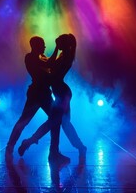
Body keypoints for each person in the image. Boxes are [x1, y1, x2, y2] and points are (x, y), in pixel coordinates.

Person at [18, 33, 87, 162]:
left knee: (57, 122)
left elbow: (51, 69)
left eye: (59, 43)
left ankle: (31, 142)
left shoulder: (65, 57)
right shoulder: (63, 56)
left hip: (62, 94)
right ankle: (65, 150)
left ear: (64, 45)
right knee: (62, 122)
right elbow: (50, 68)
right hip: (61, 93)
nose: (57, 44)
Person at [5, 36, 70, 164]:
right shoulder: (30, 57)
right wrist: (57, 48)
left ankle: (54, 152)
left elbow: (52, 64)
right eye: (42, 44)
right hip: (37, 94)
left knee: (54, 121)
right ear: (35, 46)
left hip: (44, 93)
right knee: (25, 121)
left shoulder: (41, 58)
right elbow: (50, 64)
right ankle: (11, 146)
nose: (45, 47)